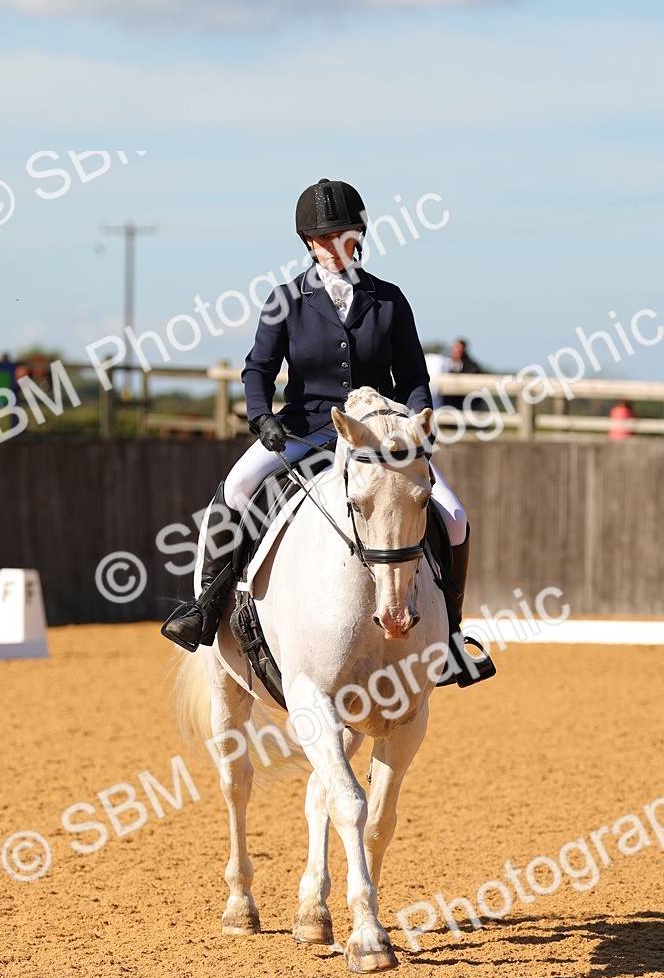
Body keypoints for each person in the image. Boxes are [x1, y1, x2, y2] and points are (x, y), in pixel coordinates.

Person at [161, 178, 485, 683]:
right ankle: (205, 607)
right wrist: (261, 417)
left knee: (456, 516)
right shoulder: (284, 299)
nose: (336, 248)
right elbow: (257, 371)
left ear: (359, 236)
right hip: (302, 431)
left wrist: (417, 426)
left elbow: (416, 378)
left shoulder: (390, 301)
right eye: (324, 240)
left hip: (380, 444)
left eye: (346, 236)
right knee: (238, 489)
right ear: (309, 244)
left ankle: (453, 639)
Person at [441, 338, 482, 409]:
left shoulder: (471, 366)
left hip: (468, 403)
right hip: (450, 403)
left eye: (460, 349)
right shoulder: (446, 363)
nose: (457, 351)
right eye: (455, 348)